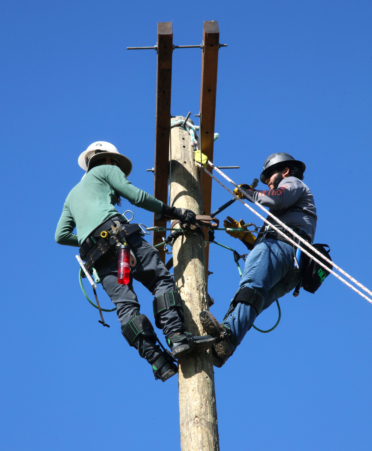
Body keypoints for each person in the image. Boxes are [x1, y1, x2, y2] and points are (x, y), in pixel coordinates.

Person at [55, 141, 214, 382]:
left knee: (126, 307)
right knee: (160, 279)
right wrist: (174, 212)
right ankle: (177, 337)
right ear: (109, 160)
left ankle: (158, 362)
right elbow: (135, 196)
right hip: (121, 239)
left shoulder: (72, 194)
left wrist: (93, 238)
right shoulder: (105, 169)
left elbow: (61, 236)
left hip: (96, 257)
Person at [200, 152, 317, 367]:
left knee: (250, 290)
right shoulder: (294, 211)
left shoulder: (293, 183)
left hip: (283, 250)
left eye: (269, 177)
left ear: (285, 171)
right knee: (254, 300)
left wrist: (249, 192)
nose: (268, 182)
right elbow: (276, 249)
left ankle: (227, 336)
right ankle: (223, 345)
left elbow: (276, 198)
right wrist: (247, 238)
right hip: (293, 268)